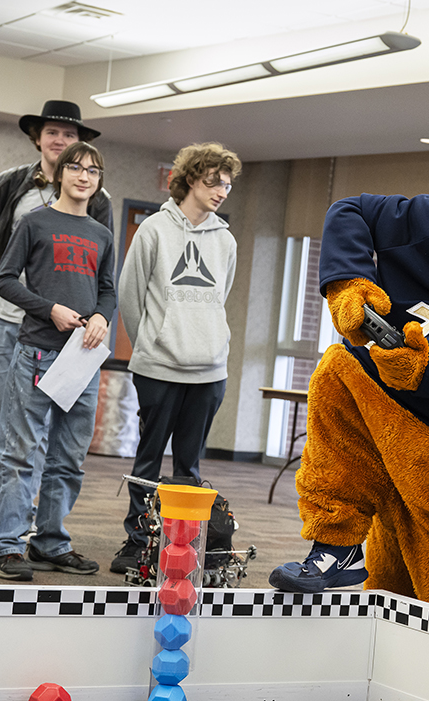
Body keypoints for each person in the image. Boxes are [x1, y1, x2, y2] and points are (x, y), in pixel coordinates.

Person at [0, 100, 111, 538]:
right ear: (39, 139)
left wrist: (99, 315)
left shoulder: (98, 201)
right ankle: (4, 509)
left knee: (53, 435)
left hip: (67, 334)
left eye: (69, 135)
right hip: (5, 320)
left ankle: (37, 523)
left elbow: (101, 270)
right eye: (52, 133)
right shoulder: (11, 184)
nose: (60, 141)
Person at [0, 142, 117, 581]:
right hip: (37, 351)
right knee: (21, 453)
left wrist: (101, 315)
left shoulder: (102, 234)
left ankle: (50, 543)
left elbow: (108, 289)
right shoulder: (34, 222)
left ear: (99, 182)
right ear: (60, 173)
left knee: (68, 459)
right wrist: (49, 309)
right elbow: (3, 280)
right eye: (76, 168)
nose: (84, 176)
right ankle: (7, 545)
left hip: (81, 359)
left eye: (93, 171)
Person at [112, 143, 241, 573]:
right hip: (158, 367)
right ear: (190, 179)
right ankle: (137, 543)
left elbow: (218, 299)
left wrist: (207, 339)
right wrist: (153, 342)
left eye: (227, 184)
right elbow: (130, 298)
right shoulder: (153, 230)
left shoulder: (225, 240)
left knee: (190, 464)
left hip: (209, 371)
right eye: (213, 182)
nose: (222, 191)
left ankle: (181, 547)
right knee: (148, 460)